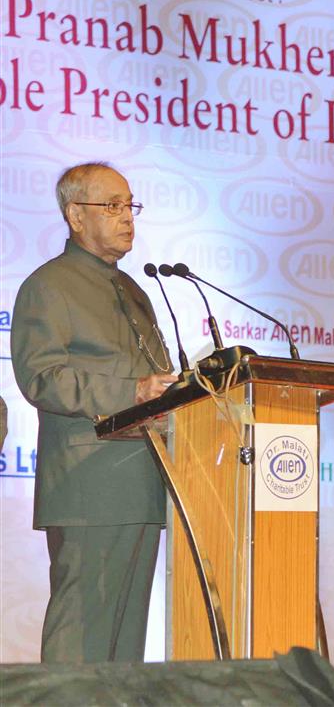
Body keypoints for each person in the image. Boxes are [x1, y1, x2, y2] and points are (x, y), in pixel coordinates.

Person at [11, 162, 178, 663]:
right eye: (112, 205)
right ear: (75, 216)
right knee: (79, 644)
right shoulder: (49, 286)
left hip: (145, 482)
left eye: (130, 205)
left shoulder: (135, 290)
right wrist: (133, 390)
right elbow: (42, 377)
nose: (127, 217)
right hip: (89, 486)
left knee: (123, 652)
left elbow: (157, 380)